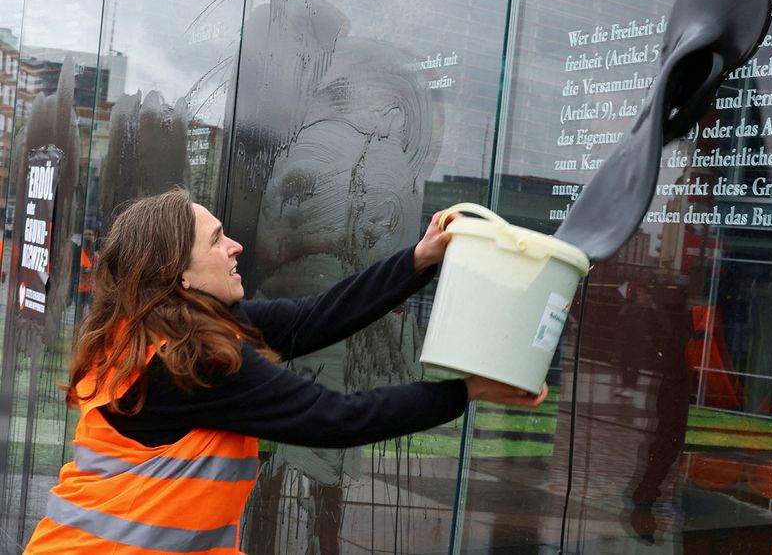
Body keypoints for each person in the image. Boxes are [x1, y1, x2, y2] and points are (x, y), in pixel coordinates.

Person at [23, 188, 547, 553]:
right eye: (217, 240)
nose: (236, 248)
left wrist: (420, 257)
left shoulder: (155, 330)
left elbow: (313, 318)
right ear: (176, 275)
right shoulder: (192, 361)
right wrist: (468, 390)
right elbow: (336, 419)